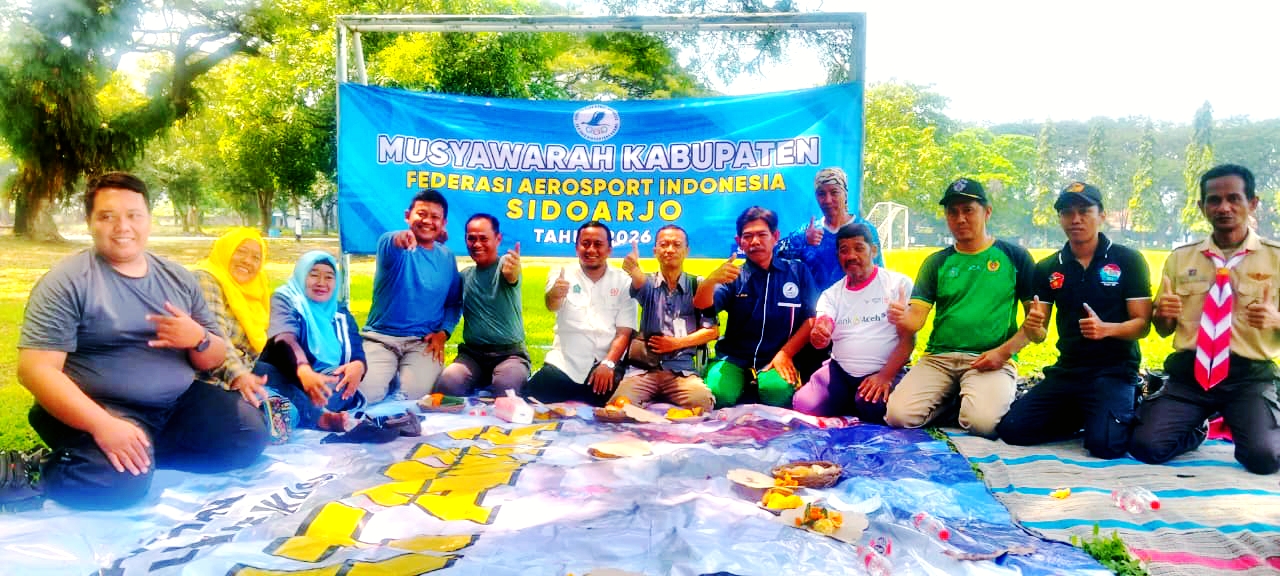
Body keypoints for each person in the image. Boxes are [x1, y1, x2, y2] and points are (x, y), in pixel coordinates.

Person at [9, 172, 266, 510]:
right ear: (90, 222)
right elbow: (36, 371)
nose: (123, 227)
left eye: (134, 215)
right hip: (98, 407)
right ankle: (36, 470)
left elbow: (214, 357)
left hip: (175, 404)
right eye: (107, 216)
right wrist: (102, 425)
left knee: (247, 436)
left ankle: (139, 458)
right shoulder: (66, 282)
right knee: (116, 483)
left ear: (148, 220)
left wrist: (199, 338)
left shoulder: (178, 278)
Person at [1130, 164, 1280, 474]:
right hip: (1190, 376)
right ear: (1202, 207)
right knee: (1146, 446)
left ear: (1252, 203)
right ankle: (1197, 428)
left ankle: (1256, 421)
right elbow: (1163, 329)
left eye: (1234, 198)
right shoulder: (1181, 258)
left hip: (1249, 378)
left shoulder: (1275, 258)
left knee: (1264, 457)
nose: (1224, 207)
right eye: (1214, 200)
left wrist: (1275, 319)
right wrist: (1163, 316)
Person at [996, 182, 1152, 458]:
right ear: (1060, 218)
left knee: (1106, 446)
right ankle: (1089, 416)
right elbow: (1039, 333)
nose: (1075, 219)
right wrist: (1033, 328)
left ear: (1101, 215)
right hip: (1068, 370)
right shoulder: (1048, 267)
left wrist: (1106, 329)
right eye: (1067, 212)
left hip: (1114, 370)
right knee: (1013, 430)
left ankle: (1120, 408)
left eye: (1084, 211)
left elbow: (1142, 325)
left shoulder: (1128, 260)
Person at [883, 178, 1035, 438]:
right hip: (940, 359)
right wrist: (900, 316)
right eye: (952, 212)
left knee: (982, 423)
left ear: (987, 212)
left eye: (968, 210)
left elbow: (1036, 325)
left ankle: (972, 400)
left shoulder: (1014, 257)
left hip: (989, 358)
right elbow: (915, 321)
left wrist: (1003, 353)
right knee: (898, 416)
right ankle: (955, 399)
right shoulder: (937, 262)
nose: (960, 219)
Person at [694, 206, 820, 408]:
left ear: (775, 236)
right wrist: (710, 281)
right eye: (748, 236)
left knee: (777, 393)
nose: (755, 241)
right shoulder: (734, 275)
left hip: (776, 356)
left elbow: (811, 319)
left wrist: (786, 353)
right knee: (719, 394)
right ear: (739, 242)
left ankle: (759, 385)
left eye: (762, 234)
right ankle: (739, 383)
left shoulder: (797, 272)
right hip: (734, 357)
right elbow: (703, 305)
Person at [792, 223, 914, 423]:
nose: (851, 256)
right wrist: (820, 334)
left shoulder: (898, 285)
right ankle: (849, 399)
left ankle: (860, 400)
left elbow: (908, 341)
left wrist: (885, 376)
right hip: (840, 370)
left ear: (873, 250)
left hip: (885, 369)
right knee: (806, 405)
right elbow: (824, 323)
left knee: (872, 406)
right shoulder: (831, 294)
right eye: (844, 250)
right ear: (838, 256)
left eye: (859, 248)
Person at [359, 189, 463, 402]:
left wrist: (443, 333)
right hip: (380, 339)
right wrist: (401, 239)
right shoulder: (391, 244)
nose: (428, 221)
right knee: (364, 395)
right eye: (421, 214)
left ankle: (397, 381)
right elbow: (392, 243)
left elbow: (453, 303)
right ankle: (387, 378)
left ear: (443, 223)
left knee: (411, 399)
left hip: (422, 343)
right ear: (408, 216)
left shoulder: (447, 257)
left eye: (435, 217)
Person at [526, 221, 638, 406]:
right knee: (529, 402)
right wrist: (555, 294)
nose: (591, 249)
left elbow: (624, 332)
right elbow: (551, 304)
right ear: (577, 247)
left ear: (609, 250)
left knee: (614, 407)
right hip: (564, 364)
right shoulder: (561, 274)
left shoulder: (624, 281)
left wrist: (608, 363)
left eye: (598, 244)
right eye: (585, 243)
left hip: (604, 365)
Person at [255, 251, 366, 433]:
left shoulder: (339, 311)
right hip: (284, 373)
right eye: (313, 275)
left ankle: (284, 413)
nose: (321, 282)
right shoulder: (284, 300)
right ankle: (317, 417)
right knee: (258, 369)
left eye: (328, 277)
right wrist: (303, 370)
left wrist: (359, 365)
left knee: (337, 385)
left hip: (323, 381)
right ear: (301, 275)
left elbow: (355, 347)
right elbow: (285, 338)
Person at [610, 226, 719, 412]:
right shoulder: (648, 283)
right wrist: (633, 269)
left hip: (682, 372)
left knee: (702, 404)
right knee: (618, 407)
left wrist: (676, 343)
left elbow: (712, 331)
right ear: (655, 251)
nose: (670, 249)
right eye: (664, 244)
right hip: (644, 371)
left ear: (686, 251)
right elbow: (639, 281)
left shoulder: (698, 285)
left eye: (676, 245)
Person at [435, 214, 530, 397]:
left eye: (483, 238)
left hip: (510, 354)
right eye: (471, 238)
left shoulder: (505, 266)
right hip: (472, 356)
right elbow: (451, 306)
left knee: (506, 389)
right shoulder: (464, 276)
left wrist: (513, 271)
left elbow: (512, 276)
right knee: (447, 384)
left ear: (498, 239)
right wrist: (437, 245)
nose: (477, 244)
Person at [191, 228, 272, 409]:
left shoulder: (256, 291)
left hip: (240, 376)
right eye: (241, 251)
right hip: (203, 380)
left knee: (288, 393)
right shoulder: (205, 279)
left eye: (256, 258)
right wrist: (239, 375)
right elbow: (214, 333)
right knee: (270, 415)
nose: (247, 261)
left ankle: (322, 416)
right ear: (225, 250)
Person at [776, 167, 883, 290]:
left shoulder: (865, 229)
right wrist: (803, 240)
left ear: (845, 194)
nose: (827, 200)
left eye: (834, 192)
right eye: (821, 194)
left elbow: (879, 274)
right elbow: (773, 255)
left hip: (857, 300)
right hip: (816, 302)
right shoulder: (808, 231)